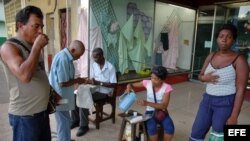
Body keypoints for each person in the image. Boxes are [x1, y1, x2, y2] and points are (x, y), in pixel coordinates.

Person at [189, 24, 249, 141]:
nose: (224, 39)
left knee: (219, 134)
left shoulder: (239, 60)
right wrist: (204, 78)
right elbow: (200, 76)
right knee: (196, 131)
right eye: (221, 36)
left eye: (229, 37)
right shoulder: (211, 55)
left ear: (233, 40)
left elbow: (241, 90)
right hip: (207, 100)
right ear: (217, 38)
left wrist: (234, 116)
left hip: (225, 102)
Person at [0, 6, 51, 141]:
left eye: (42, 26)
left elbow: (39, 73)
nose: (40, 31)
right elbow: (24, 75)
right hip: (25, 116)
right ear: (21, 25)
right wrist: (37, 47)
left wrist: (50, 91)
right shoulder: (9, 47)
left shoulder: (33, 46)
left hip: (42, 113)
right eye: (36, 26)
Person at [70, 47, 117, 136]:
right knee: (75, 94)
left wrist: (99, 83)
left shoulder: (110, 67)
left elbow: (113, 84)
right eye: (93, 57)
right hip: (94, 88)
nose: (94, 60)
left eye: (96, 57)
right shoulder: (94, 65)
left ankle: (84, 126)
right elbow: (93, 79)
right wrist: (88, 81)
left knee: (83, 97)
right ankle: (75, 120)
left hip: (105, 92)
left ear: (102, 56)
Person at [49, 40, 86, 141]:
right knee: (63, 121)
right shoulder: (63, 59)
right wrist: (78, 80)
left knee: (64, 120)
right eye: (79, 55)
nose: (79, 57)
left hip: (62, 96)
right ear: (73, 50)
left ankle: (65, 139)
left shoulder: (66, 57)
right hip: (59, 96)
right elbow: (62, 82)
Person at [125, 66, 175, 141]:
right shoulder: (147, 83)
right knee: (152, 128)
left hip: (161, 112)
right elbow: (131, 84)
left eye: (155, 79)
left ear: (161, 80)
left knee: (170, 128)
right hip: (149, 112)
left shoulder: (167, 88)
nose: (152, 80)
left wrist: (147, 103)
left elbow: (164, 105)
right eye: (151, 77)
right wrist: (129, 86)